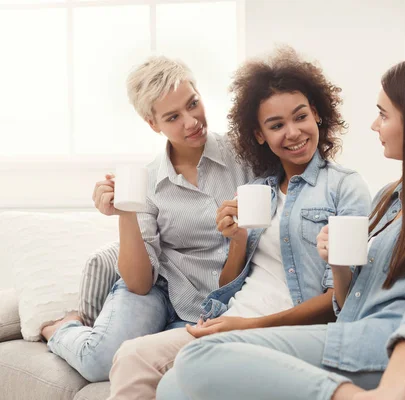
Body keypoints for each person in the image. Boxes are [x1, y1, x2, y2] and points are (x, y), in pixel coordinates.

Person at [157, 56, 405, 400]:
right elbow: (350, 300)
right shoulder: (390, 198)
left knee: (199, 357)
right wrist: (337, 263)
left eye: (383, 114)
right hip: (354, 336)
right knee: (173, 385)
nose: (373, 126)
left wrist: (392, 390)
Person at [107, 47, 371, 400]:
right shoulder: (258, 188)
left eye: (300, 117)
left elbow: (340, 299)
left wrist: (247, 326)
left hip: (271, 329)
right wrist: (237, 240)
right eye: (276, 125)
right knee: (132, 356)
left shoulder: (343, 186)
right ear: (260, 135)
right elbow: (229, 282)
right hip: (231, 317)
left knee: (175, 382)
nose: (292, 133)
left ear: (318, 115)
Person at [40, 56, 252, 382]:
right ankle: (62, 328)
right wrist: (126, 212)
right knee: (100, 363)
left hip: (213, 301)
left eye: (193, 104)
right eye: (173, 117)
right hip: (158, 291)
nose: (191, 121)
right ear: (153, 124)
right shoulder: (150, 182)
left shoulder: (244, 156)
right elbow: (139, 283)